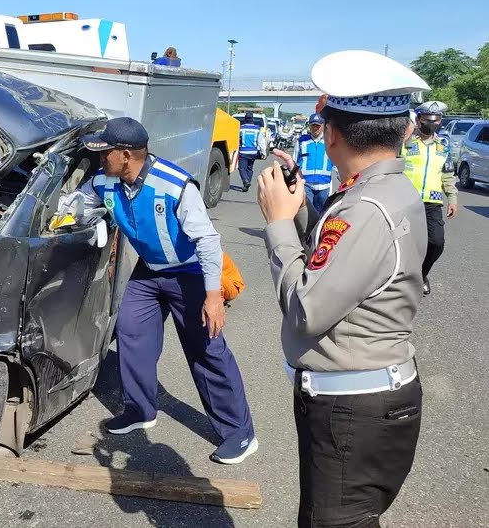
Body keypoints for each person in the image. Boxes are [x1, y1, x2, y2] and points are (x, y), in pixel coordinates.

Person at [257, 50, 429, 527]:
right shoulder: (386, 191)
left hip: (352, 411)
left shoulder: (367, 208)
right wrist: (304, 216)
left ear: (330, 133)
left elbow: (307, 308)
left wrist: (277, 224)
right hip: (361, 405)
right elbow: (346, 264)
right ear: (403, 130)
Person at [60, 117, 257, 465]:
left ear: (125, 155)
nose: (100, 159)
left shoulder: (176, 186)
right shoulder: (107, 181)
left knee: (206, 348)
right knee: (131, 332)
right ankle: (139, 409)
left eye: (105, 153)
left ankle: (239, 433)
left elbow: (208, 242)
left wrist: (213, 298)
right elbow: (78, 205)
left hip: (189, 271)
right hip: (150, 270)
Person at [400, 100, 457, 296]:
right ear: (418, 120)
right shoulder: (405, 143)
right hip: (406, 200)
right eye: (427, 120)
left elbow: (447, 175)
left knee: (436, 242)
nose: (432, 124)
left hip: (432, 202)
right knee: (402, 242)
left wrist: (452, 198)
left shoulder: (443, 146)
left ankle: (421, 275)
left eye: (436, 120)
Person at [293, 112, 335, 214]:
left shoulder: (329, 141)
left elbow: (336, 161)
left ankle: (318, 230)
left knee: (322, 214)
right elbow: (294, 161)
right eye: (313, 125)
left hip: (324, 185)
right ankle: (308, 230)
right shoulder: (301, 141)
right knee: (307, 213)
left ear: (323, 126)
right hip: (306, 184)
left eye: (318, 126)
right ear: (309, 126)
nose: (315, 128)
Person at [238, 112, 265, 192]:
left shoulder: (241, 128)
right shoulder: (257, 128)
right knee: (249, 168)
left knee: (242, 168)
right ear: (252, 119)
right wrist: (263, 152)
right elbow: (261, 141)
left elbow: (237, 139)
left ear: (245, 119)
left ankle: (246, 181)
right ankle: (247, 184)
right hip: (253, 152)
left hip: (243, 152)